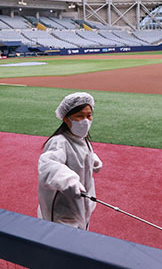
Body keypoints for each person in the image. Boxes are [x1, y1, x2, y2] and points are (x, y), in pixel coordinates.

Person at [37, 92, 102, 230]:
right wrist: (68, 180)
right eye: (79, 116)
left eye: (89, 115)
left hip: (82, 205)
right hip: (63, 211)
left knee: (80, 235)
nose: (85, 120)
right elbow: (48, 165)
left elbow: (80, 154)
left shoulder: (82, 139)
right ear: (66, 119)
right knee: (61, 243)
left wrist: (92, 160)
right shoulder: (58, 142)